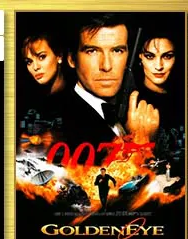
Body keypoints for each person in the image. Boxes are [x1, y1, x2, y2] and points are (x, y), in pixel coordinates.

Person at [52, 15, 160, 151]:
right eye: (92, 51)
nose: (106, 66)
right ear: (72, 59)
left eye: (117, 51)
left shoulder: (132, 111)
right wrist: (140, 145)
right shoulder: (59, 124)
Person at [130, 24, 184, 169]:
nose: (158, 66)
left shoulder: (182, 98)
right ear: (140, 57)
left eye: (167, 56)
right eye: (150, 56)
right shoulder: (132, 104)